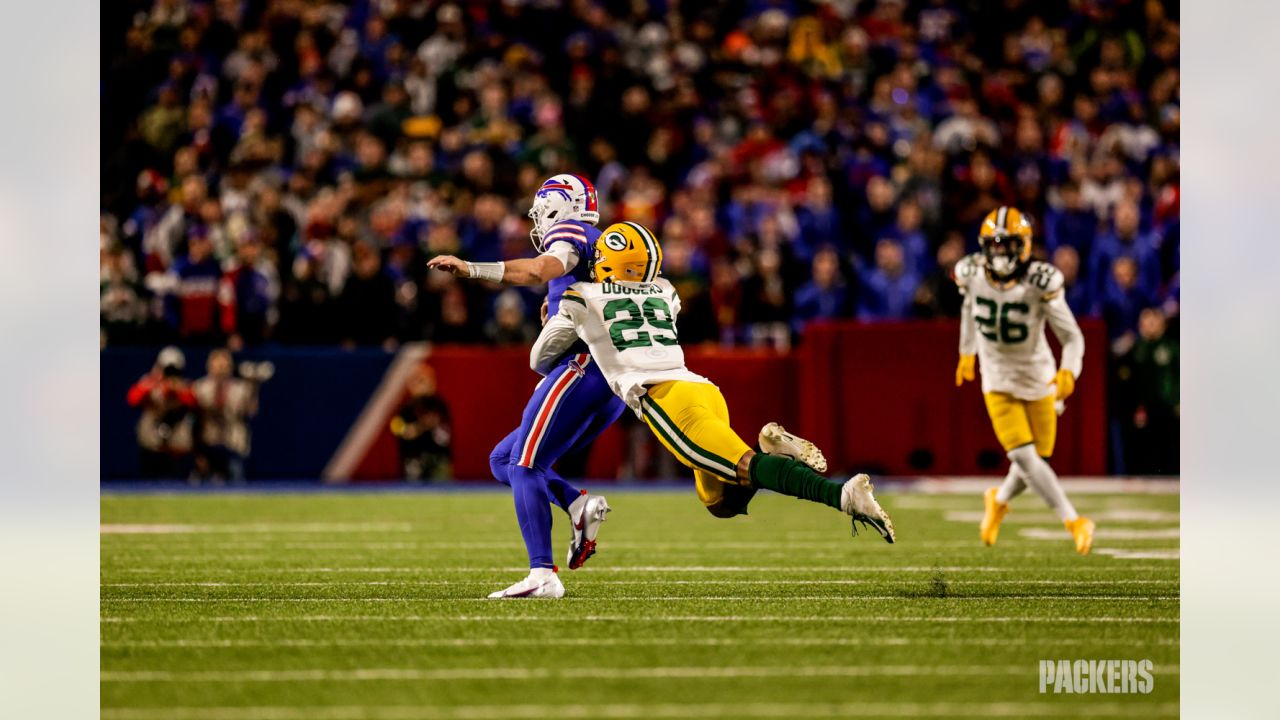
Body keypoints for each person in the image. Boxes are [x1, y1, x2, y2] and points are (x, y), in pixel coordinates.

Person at [527, 221, 895, 599]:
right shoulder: (666, 290)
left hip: (667, 401)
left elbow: (539, 359)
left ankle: (842, 495)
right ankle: (772, 449)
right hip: (703, 391)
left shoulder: (580, 295)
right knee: (720, 503)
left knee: (745, 466)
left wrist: (555, 322)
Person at [427, 174, 628, 591]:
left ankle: (542, 574)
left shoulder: (573, 232)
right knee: (504, 459)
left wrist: (471, 268)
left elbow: (539, 269)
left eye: (544, 202)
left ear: (564, 204)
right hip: (609, 375)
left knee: (524, 464)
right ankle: (576, 503)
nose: (537, 212)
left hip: (580, 368)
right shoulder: (607, 244)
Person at [954, 206, 1094, 554]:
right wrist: (967, 351)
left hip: (1039, 375)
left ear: (1025, 245)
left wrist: (1068, 371)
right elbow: (969, 307)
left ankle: (998, 501)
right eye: (994, 244)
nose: (999, 252)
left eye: (1007, 244)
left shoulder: (1040, 280)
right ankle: (1074, 520)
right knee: (1028, 459)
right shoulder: (970, 272)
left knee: (1037, 460)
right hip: (998, 379)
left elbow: (1073, 337)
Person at [191, 348, 264, 482]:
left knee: (235, 484)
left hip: (233, 445)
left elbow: (251, 411)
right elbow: (195, 420)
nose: (220, 370)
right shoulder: (199, 387)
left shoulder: (241, 388)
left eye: (224, 366)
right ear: (209, 366)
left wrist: (254, 387)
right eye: (217, 365)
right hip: (208, 445)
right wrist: (198, 451)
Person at [126, 346, 197, 478]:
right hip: (152, 443)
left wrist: (177, 389)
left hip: (176, 445)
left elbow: (193, 402)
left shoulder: (185, 385)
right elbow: (132, 399)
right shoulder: (149, 382)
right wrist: (156, 382)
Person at [390, 365, 453, 481]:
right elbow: (397, 427)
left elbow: (444, 434)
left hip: (437, 456)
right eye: (419, 381)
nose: (425, 385)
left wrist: (424, 427)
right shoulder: (406, 408)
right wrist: (412, 428)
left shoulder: (439, 405)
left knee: (442, 490)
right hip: (414, 457)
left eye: (427, 380)